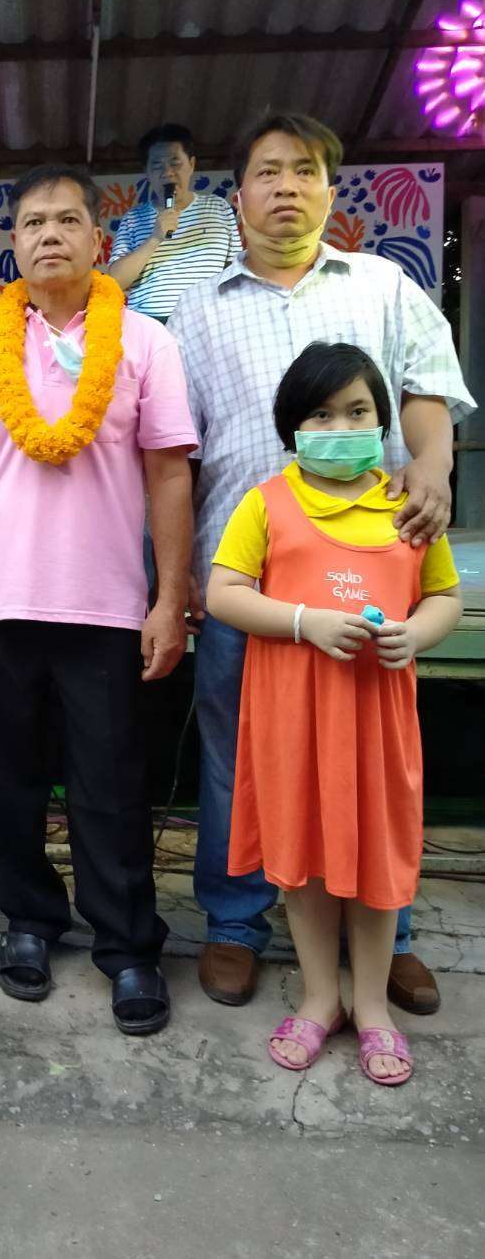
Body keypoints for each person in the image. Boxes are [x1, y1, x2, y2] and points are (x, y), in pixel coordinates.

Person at [168, 110, 476, 1013]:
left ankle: (389, 932)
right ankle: (235, 923)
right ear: (239, 194)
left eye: (304, 170)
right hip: (249, 583)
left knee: (376, 765)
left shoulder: (383, 285)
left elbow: (428, 389)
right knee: (239, 758)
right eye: (268, 171)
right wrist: (179, 577)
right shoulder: (197, 311)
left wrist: (432, 464)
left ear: (330, 190)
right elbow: (175, 455)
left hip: (369, 577)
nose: (286, 187)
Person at [0, 165, 197, 1035]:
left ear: (99, 238)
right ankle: (28, 918)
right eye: (31, 222)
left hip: (104, 606)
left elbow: (170, 473)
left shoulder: (145, 342)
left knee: (110, 785)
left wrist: (170, 597)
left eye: (66, 220)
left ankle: (127, 946)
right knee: (7, 782)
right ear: (13, 243)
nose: (48, 234)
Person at [207, 343, 461, 1085]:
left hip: (377, 725)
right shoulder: (266, 503)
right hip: (294, 724)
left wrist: (415, 633)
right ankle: (321, 998)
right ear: (292, 425)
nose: (340, 427)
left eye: (357, 411)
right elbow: (223, 593)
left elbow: (444, 596)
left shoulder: (406, 508)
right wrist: (303, 622)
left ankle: (372, 1006)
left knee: (376, 861)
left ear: (383, 423)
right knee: (305, 864)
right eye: (321, 414)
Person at [108, 123, 240, 322]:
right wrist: (154, 239)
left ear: (191, 164)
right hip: (150, 324)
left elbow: (235, 269)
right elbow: (115, 281)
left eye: (175, 163)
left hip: (208, 320)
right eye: (157, 166)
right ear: (146, 172)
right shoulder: (133, 219)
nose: (167, 172)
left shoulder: (218, 208)